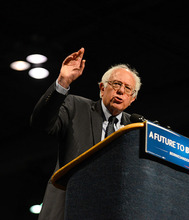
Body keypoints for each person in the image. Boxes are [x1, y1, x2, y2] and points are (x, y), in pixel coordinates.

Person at [30, 48, 141, 220]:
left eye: (128, 89)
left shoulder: (134, 128)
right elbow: (41, 123)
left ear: (132, 99)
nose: (121, 91)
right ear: (102, 88)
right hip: (67, 207)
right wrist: (63, 82)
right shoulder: (76, 107)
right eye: (116, 84)